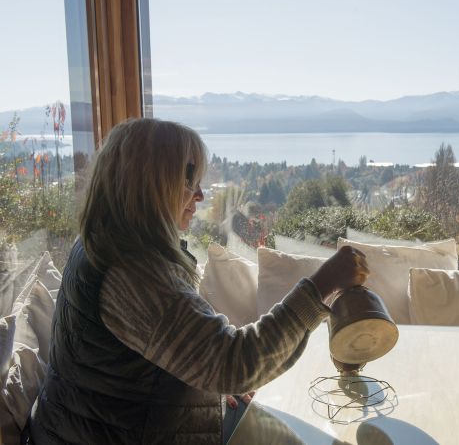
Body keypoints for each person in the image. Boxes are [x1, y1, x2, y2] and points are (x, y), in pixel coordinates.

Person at [27, 118, 369, 444]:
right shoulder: (130, 275)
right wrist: (321, 285)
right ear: (150, 186)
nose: (200, 194)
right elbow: (234, 363)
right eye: (188, 180)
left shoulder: (104, 243)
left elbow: (161, 358)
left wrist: (207, 388)